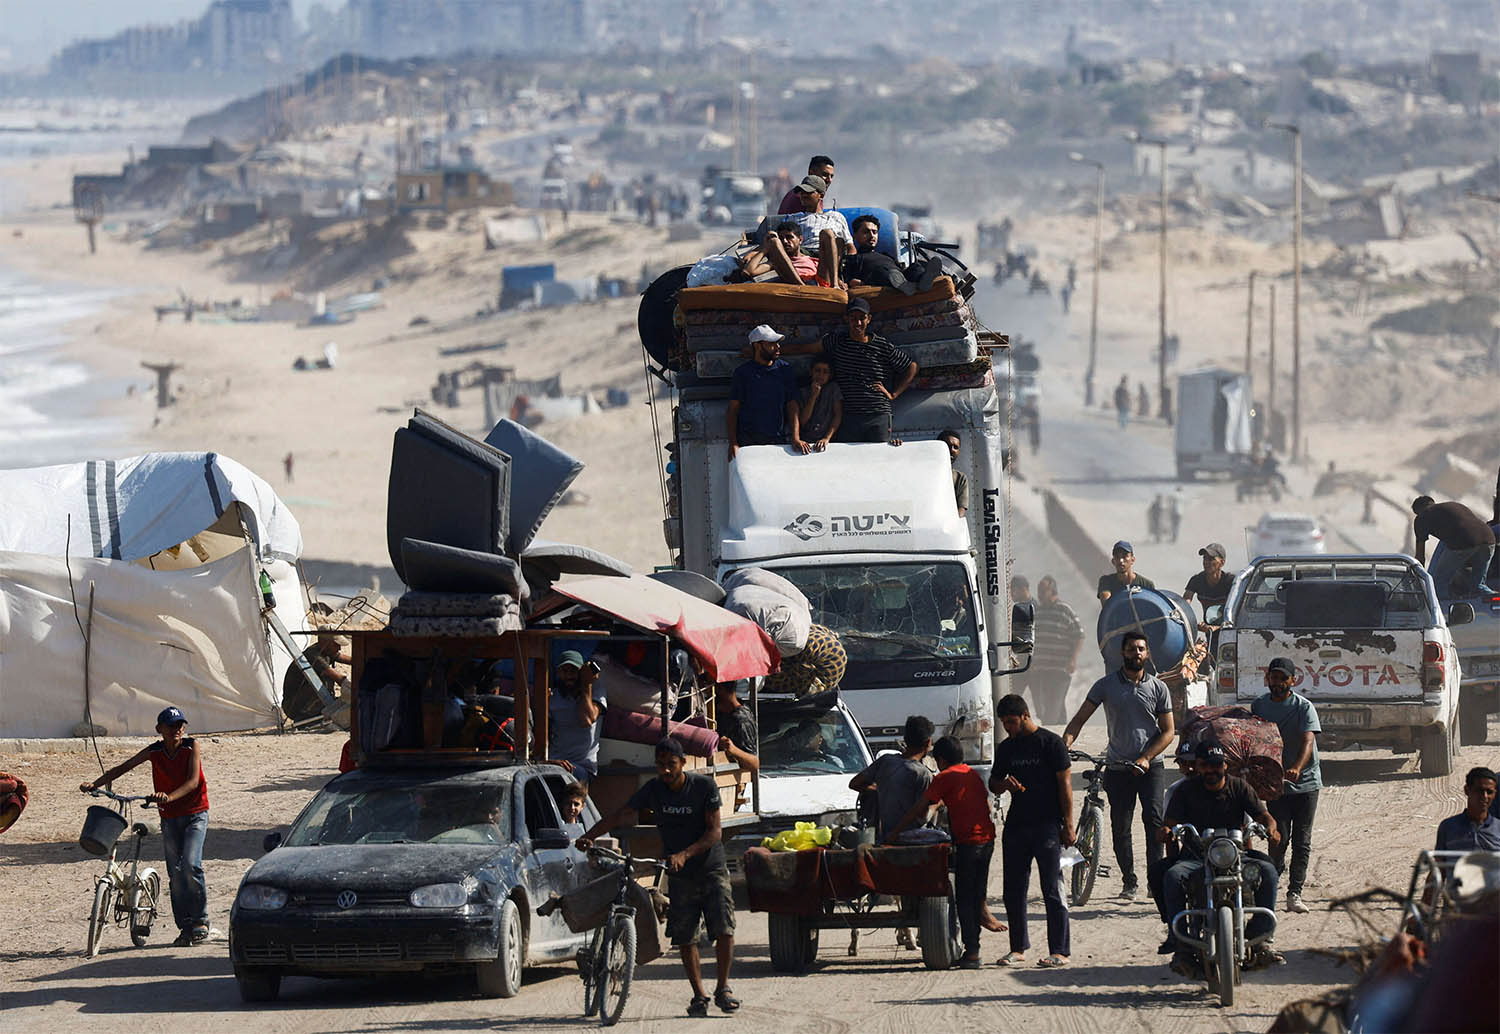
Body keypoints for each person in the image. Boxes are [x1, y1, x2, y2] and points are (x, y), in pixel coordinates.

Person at [578, 738, 739, 1017]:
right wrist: (589, 836)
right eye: (660, 765)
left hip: (710, 869)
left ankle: (723, 988)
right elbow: (622, 814)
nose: (665, 771)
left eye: (671, 765)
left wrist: (685, 854)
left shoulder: (703, 787)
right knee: (685, 936)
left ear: (683, 764)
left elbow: (714, 832)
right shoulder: (653, 790)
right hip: (680, 876)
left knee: (724, 929)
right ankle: (699, 995)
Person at [81, 706, 210, 946]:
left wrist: (168, 797)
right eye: (171, 726)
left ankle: (201, 921)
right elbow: (123, 767)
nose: (177, 730)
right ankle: (185, 927)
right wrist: (95, 784)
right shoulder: (155, 751)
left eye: (180, 725)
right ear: (159, 730)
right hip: (169, 817)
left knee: (191, 865)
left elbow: (193, 782)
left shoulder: (191, 746)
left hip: (195, 814)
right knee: (175, 874)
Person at [1062, 630, 1175, 901]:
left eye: (1140, 649)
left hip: (1151, 768)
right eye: (1131, 649)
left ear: (1147, 654)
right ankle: (1129, 882)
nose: (1136, 653)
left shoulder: (1158, 688)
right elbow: (1078, 720)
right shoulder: (1105, 685)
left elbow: (1168, 731)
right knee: (1120, 826)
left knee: (1154, 823)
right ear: (1122, 653)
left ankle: (1153, 881)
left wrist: (1146, 758)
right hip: (1118, 767)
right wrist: (1063, 744)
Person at [1160, 743, 1283, 975]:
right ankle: (1182, 946)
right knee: (1172, 876)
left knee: (1268, 872)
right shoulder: (1185, 791)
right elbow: (1170, 822)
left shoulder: (1239, 787)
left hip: (1236, 856)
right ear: (1197, 766)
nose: (1211, 770)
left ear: (1225, 766)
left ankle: (1261, 940)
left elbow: (1263, 814)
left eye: (1216, 765)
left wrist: (1272, 829)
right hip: (1196, 857)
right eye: (1205, 765)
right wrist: (1167, 831)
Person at [886, 736, 997, 970]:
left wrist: (896, 832)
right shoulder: (971, 774)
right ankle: (978, 933)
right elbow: (984, 806)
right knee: (977, 893)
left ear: (941, 760)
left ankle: (973, 952)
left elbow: (921, 807)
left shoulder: (944, 777)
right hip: (987, 840)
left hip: (968, 842)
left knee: (964, 899)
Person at [989, 695, 1074, 969]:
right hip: (1016, 825)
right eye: (1004, 723)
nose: (1009, 728)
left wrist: (1068, 825)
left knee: (1053, 888)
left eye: (1011, 722)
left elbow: (1065, 786)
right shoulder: (1006, 748)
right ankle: (1017, 948)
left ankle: (1060, 951)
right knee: (1013, 890)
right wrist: (1004, 784)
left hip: (1048, 825)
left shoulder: (1051, 743)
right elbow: (993, 783)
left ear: (1026, 715)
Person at [784, 297, 918, 444]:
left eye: (862, 318)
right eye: (853, 318)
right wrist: (776, 350)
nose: (858, 323)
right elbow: (806, 348)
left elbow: (911, 366)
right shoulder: (837, 342)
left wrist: (893, 394)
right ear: (847, 319)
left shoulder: (882, 345)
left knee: (878, 459)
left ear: (869, 319)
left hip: (877, 414)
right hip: (849, 416)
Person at [1251, 656, 1321, 914]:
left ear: (1293, 680)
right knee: (1277, 836)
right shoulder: (1259, 705)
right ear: (1267, 678)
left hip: (1306, 783)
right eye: (1274, 677)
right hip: (1275, 783)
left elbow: (1308, 742)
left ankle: (1295, 892)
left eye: (1283, 678)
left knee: (1302, 840)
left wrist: (1297, 768)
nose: (1278, 683)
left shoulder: (1303, 707)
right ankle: (1272, 882)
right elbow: (1255, 738)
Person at [849, 714, 934, 840]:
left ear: (905, 739)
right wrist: (937, 804)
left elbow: (855, 783)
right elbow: (923, 817)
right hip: (912, 840)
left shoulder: (885, 761)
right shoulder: (923, 774)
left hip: (885, 836)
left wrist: (882, 790)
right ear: (928, 743)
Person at [759, 175, 853, 289]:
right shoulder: (793, 218)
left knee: (828, 233)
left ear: (821, 195)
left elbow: (850, 247)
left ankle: (835, 285)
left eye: (808, 192)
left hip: (828, 257)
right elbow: (779, 240)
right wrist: (755, 252)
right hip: (802, 254)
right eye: (801, 192)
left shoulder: (836, 217)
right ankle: (801, 286)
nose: (803, 195)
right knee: (775, 241)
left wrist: (849, 273)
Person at [726, 325, 801, 461]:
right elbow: (733, 409)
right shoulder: (742, 373)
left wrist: (795, 437)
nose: (777, 347)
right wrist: (733, 442)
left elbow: (792, 405)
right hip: (749, 444)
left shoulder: (784, 370)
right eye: (772, 343)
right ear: (757, 346)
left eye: (777, 343)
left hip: (778, 442)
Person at [1412, 495, 1497, 600]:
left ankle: (1446, 612)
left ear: (1418, 511)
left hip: (1464, 542)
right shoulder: (1453, 505)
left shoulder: (1422, 517)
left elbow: (1420, 556)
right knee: (1478, 586)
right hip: (1489, 538)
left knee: (1438, 584)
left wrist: (1418, 577)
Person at [1027, 575, 1085, 725]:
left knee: (1051, 711)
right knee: (1052, 709)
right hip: (1042, 670)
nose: (1039, 594)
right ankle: (1062, 741)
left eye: (1043, 590)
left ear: (1052, 591)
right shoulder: (1037, 612)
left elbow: (1079, 635)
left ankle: (1049, 740)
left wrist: (1072, 659)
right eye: (1038, 590)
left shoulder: (1064, 611)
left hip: (1060, 670)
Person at [841, 214, 942, 296]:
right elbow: (850, 280)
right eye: (866, 232)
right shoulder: (855, 258)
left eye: (874, 232)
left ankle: (923, 281)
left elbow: (901, 270)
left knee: (914, 266)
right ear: (854, 236)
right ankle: (905, 286)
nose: (871, 235)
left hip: (899, 277)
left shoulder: (886, 255)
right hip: (878, 279)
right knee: (882, 272)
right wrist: (859, 282)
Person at [548, 650, 606, 785]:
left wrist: (586, 684)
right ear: (558, 673)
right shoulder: (552, 696)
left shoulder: (595, 691)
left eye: (573, 671)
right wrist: (548, 761)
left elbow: (586, 720)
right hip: (555, 763)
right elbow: (541, 733)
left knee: (559, 777)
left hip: (582, 767)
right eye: (564, 671)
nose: (569, 676)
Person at [1435, 767, 1500, 851]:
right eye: (1479, 791)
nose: (1485, 796)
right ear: (1467, 790)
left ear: (1495, 794)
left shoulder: (1497, 828)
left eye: (1489, 792)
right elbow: (1439, 861)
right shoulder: (1448, 827)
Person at [739, 220, 823, 285]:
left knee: (827, 234)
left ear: (800, 240)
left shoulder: (812, 258)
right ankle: (801, 285)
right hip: (797, 286)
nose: (785, 241)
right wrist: (767, 246)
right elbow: (748, 271)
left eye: (789, 237)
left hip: (816, 286)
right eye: (781, 239)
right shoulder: (777, 263)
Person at [796, 356, 842, 450]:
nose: (821, 375)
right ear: (811, 372)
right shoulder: (803, 392)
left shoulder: (833, 389)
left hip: (828, 439)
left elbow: (838, 415)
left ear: (830, 375)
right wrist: (813, 396)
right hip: (806, 440)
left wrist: (826, 438)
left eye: (825, 372)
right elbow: (802, 421)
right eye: (817, 371)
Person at [714, 680, 759, 775]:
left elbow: (754, 763)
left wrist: (733, 750)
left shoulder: (742, 720)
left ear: (720, 689)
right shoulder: (719, 713)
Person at [1182, 542, 1235, 620]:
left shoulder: (1230, 582)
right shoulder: (1196, 580)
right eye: (1204, 558)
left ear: (1222, 562)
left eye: (1211, 559)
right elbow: (1185, 604)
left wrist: (1216, 627)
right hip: (1208, 628)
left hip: (1228, 629)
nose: (1206, 562)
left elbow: (1235, 611)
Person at [939, 428, 969, 516]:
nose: (952, 450)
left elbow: (961, 509)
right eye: (948, 446)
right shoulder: (926, 473)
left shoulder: (961, 478)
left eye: (955, 447)